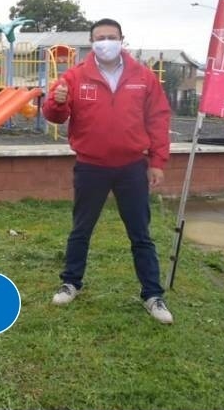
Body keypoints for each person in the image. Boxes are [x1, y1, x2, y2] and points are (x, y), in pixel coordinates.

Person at [43, 18, 174, 324]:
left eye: (111, 37)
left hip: (132, 167)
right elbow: (54, 115)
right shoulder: (75, 77)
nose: (105, 42)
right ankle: (71, 282)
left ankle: (153, 295)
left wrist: (157, 161)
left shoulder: (143, 77)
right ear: (92, 43)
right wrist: (57, 102)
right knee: (81, 229)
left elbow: (158, 118)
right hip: (91, 166)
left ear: (121, 40)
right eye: (99, 38)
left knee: (141, 233)